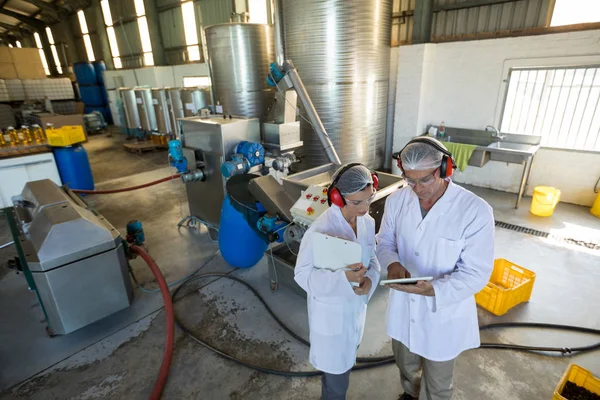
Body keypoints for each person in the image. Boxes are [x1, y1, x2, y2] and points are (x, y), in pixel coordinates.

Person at [376, 137, 494, 400]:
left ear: (445, 169)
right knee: (406, 366)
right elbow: (384, 241)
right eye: (410, 180)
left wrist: (435, 290)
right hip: (404, 305)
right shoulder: (397, 201)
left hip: (444, 310)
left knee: (438, 382)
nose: (417, 188)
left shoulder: (475, 211)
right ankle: (409, 394)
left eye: (425, 180)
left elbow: (477, 272)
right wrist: (393, 263)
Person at [294, 163, 381, 400]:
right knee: (336, 386)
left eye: (369, 199)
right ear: (337, 197)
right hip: (331, 320)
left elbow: (373, 258)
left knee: (342, 368)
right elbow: (301, 274)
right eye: (357, 203)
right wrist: (342, 279)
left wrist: (370, 282)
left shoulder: (367, 223)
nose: (365, 208)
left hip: (354, 314)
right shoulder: (320, 230)